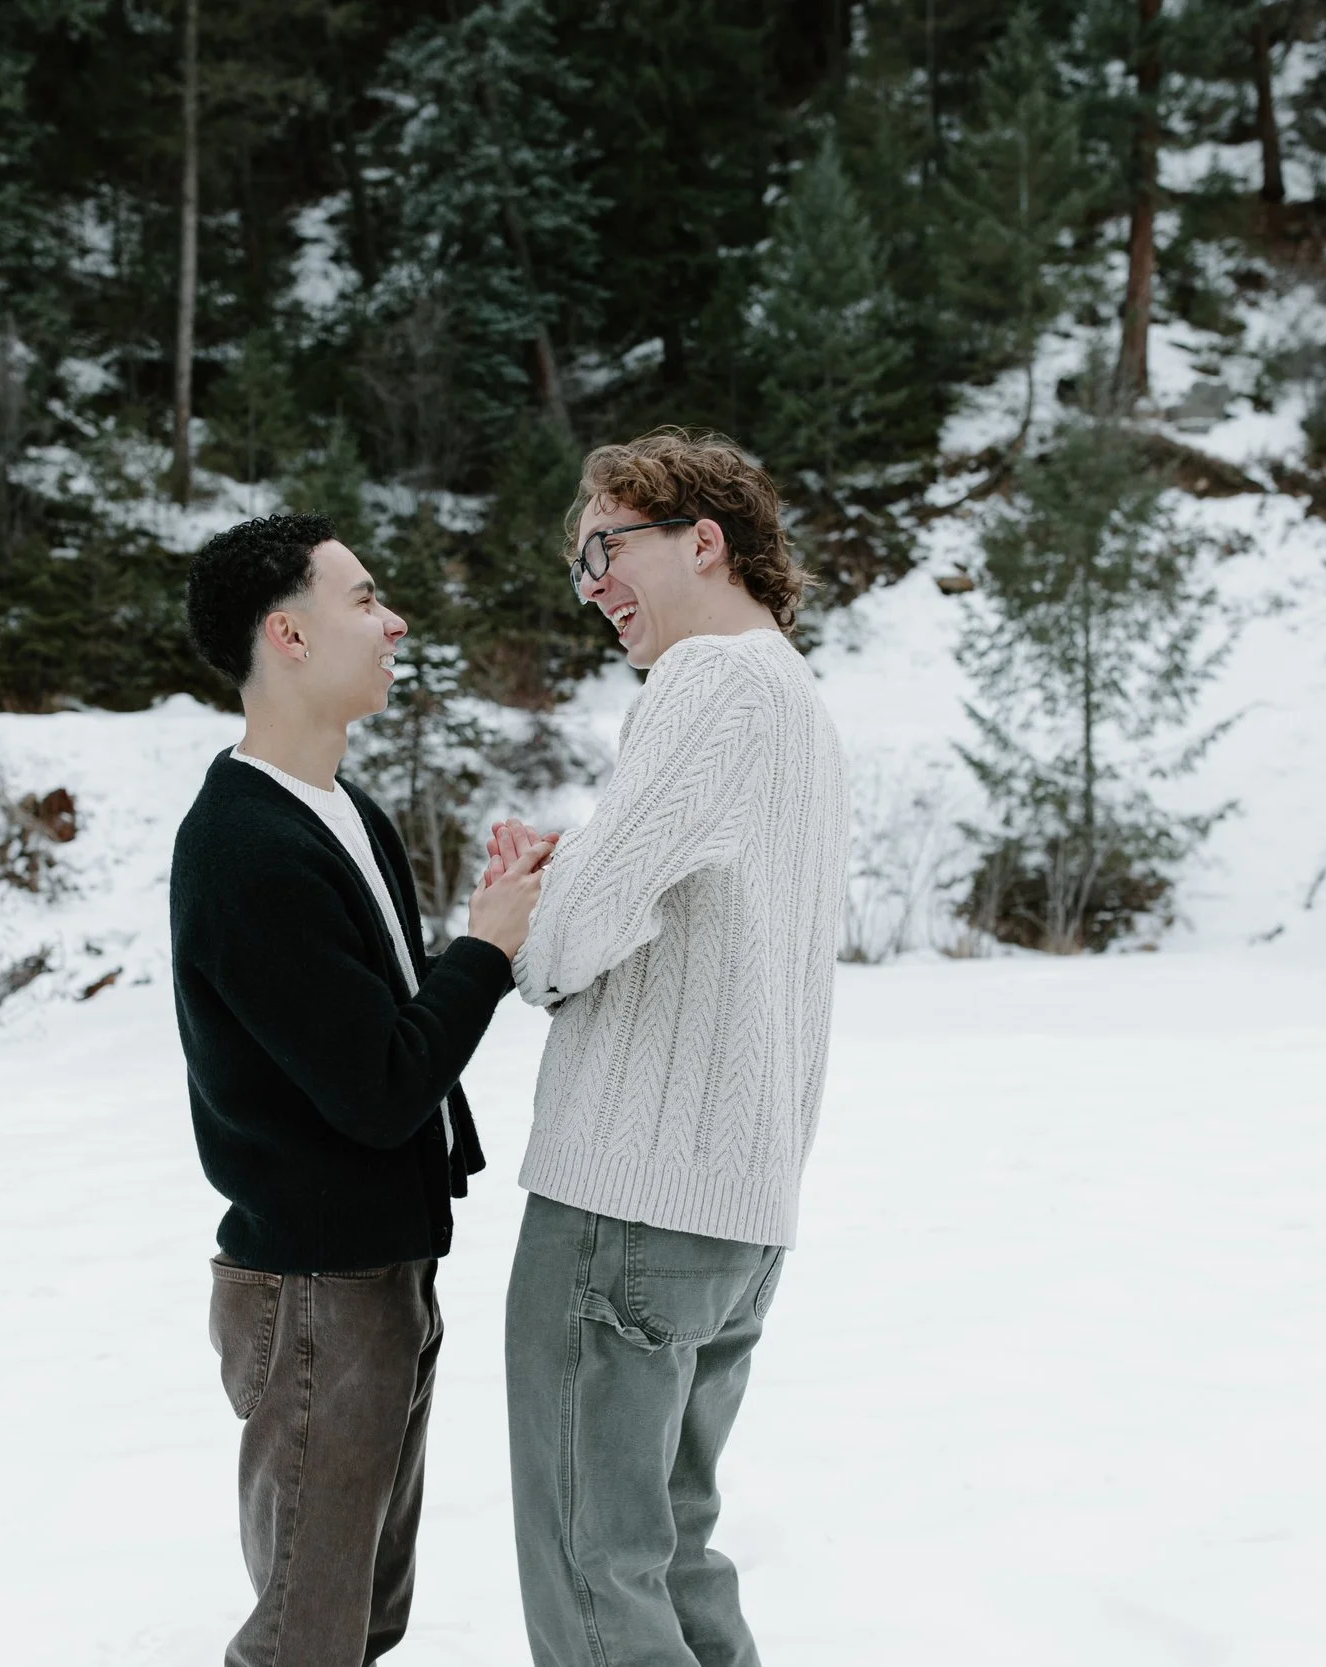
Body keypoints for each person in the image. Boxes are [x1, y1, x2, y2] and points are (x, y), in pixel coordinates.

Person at [483, 431, 848, 1666]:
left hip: (624, 1202)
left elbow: (569, 940)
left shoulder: (709, 684)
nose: (589, 583)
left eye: (606, 546)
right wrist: (582, 876)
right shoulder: (794, 698)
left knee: (595, 1569)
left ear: (704, 539)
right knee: (669, 1548)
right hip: (734, 1207)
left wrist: (533, 908)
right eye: (579, 563)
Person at [170, 513, 552, 1667]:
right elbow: (382, 1087)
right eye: (365, 599)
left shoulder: (343, 811)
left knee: (363, 1617)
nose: (395, 622)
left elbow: (372, 1031)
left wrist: (475, 938)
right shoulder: (246, 847)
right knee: (308, 1634)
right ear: (287, 633)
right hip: (313, 1292)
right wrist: (483, 950)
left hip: (379, 1266)